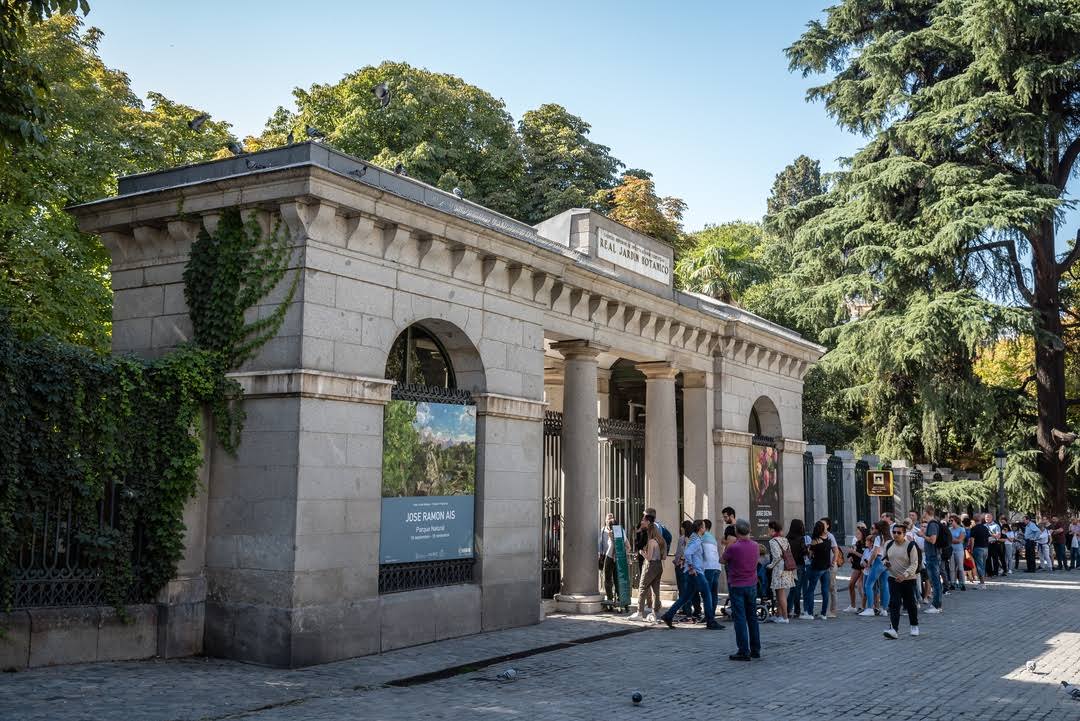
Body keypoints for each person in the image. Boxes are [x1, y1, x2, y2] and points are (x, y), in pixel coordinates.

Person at [661, 520, 723, 630]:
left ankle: (668, 615)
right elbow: (688, 553)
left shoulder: (695, 538)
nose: (705, 529)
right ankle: (710, 621)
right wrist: (691, 567)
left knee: (685, 597)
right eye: (704, 527)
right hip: (697, 573)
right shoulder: (697, 541)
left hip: (694, 573)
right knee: (707, 594)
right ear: (700, 528)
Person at [722, 518, 760, 660]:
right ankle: (756, 649)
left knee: (740, 618)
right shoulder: (755, 545)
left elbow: (722, 559)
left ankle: (744, 650)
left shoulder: (734, 547)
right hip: (751, 584)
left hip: (737, 584)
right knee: (752, 617)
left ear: (737, 532)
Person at [883, 523, 920, 639]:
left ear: (904, 534)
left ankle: (914, 625)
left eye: (899, 533)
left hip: (908, 579)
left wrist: (904, 575)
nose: (896, 534)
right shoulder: (888, 544)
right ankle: (894, 629)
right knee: (894, 603)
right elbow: (884, 558)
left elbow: (914, 563)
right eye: (894, 532)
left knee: (910, 604)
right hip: (893, 578)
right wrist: (886, 563)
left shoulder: (910, 546)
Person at [629, 522, 666, 622]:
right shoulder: (661, 541)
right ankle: (655, 612)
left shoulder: (651, 542)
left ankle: (639, 612)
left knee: (642, 587)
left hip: (650, 566)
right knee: (656, 590)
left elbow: (649, 557)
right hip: (659, 566)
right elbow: (664, 556)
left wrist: (642, 552)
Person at [859, 520, 892, 616]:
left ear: (879, 529)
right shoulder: (889, 538)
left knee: (868, 585)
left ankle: (870, 608)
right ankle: (884, 609)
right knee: (884, 585)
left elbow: (875, 552)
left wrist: (869, 563)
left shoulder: (878, 537)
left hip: (878, 561)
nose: (873, 529)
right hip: (886, 562)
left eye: (874, 528)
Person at [802, 520, 833, 620]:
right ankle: (823, 614)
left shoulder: (815, 541)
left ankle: (809, 613)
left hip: (816, 568)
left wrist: (808, 550)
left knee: (811, 590)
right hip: (826, 568)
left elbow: (810, 555)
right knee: (825, 591)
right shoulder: (828, 539)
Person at [766, 520, 794, 623]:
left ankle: (785, 617)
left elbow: (777, 557)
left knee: (781, 593)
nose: (768, 531)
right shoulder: (785, 539)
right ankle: (779, 615)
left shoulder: (773, 541)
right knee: (778, 592)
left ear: (772, 529)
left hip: (779, 569)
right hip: (786, 567)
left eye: (769, 529)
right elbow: (788, 552)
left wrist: (770, 566)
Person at [919, 506, 943, 614]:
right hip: (932, 555)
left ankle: (936, 605)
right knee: (935, 580)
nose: (922, 513)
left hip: (932, 555)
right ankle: (936, 604)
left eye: (923, 511)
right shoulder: (932, 523)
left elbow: (933, 540)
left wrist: (922, 535)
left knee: (935, 581)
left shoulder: (932, 524)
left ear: (926, 512)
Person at [786, 519, 807, 619]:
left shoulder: (787, 538)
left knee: (792, 588)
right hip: (799, 565)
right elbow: (804, 552)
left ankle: (789, 609)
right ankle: (794, 610)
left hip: (789, 566)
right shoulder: (801, 539)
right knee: (796, 589)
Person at [820, 517, 841, 618]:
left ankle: (833, 611)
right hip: (822, 565)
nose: (821, 525)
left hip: (830, 565)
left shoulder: (830, 536)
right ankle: (825, 610)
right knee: (825, 588)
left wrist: (833, 562)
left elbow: (836, 550)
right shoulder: (818, 535)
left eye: (823, 524)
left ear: (828, 525)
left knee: (832, 587)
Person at [844, 526, 868, 613]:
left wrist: (853, 552)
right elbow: (853, 553)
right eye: (856, 533)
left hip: (864, 566)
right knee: (851, 585)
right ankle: (853, 605)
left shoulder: (867, 543)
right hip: (857, 566)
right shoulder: (857, 543)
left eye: (858, 533)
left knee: (862, 586)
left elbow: (864, 556)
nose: (856, 535)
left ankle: (864, 606)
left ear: (863, 534)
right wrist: (850, 556)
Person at [701, 519, 722, 611]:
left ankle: (708, 615)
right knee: (714, 592)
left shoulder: (702, 537)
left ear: (705, 527)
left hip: (708, 567)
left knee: (707, 592)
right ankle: (711, 614)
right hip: (717, 567)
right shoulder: (712, 537)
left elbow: (701, 553)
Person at [597, 513, 618, 602]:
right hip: (606, 555)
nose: (609, 520)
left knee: (616, 577)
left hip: (614, 556)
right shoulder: (602, 530)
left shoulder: (617, 530)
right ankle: (610, 596)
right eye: (608, 519)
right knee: (607, 577)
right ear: (605, 520)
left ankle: (616, 595)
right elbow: (600, 543)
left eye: (611, 518)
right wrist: (600, 554)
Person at [969, 513, 990, 588]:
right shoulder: (985, 528)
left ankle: (982, 583)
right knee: (983, 565)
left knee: (979, 566)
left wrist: (971, 549)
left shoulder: (974, 528)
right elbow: (988, 538)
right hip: (985, 548)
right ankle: (982, 582)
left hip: (978, 548)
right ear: (981, 519)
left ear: (974, 520)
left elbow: (972, 540)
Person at [948, 515, 967, 590]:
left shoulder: (961, 529)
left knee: (960, 567)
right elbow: (948, 540)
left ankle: (962, 583)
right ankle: (953, 583)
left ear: (956, 521)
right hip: (951, 550)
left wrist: (952, 539)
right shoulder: (949, 529)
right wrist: (955, 540)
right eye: (949, 520)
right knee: (952, 567)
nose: (950, 522)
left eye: (951, 520)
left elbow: (960, 540)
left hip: (959, 550)